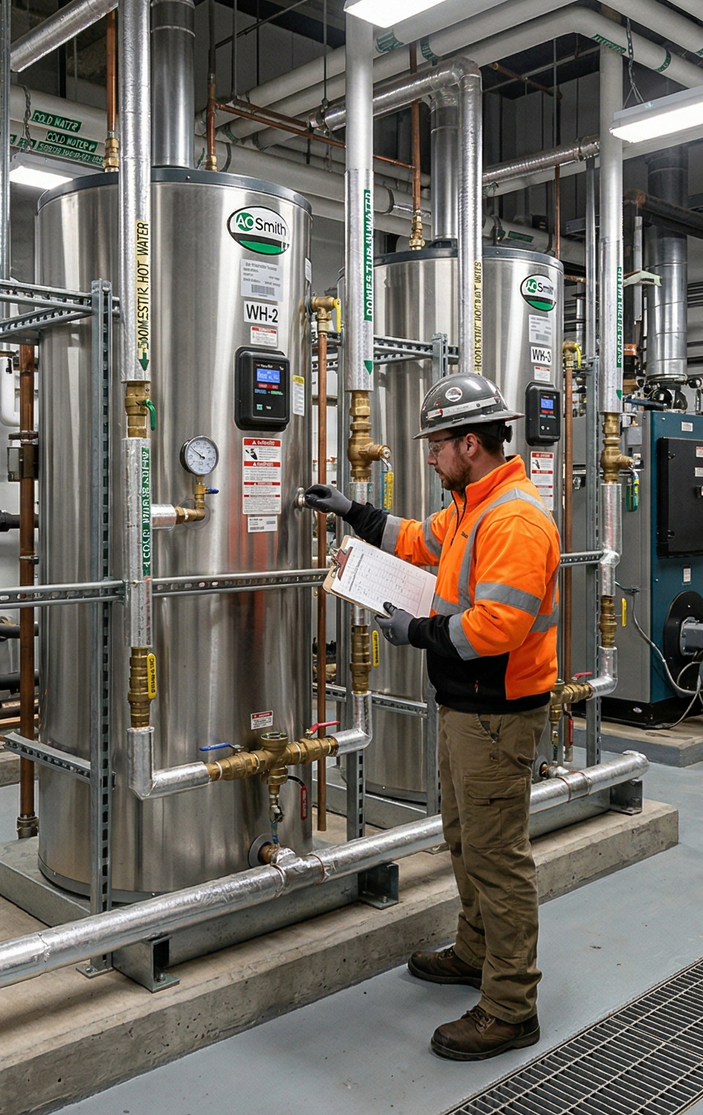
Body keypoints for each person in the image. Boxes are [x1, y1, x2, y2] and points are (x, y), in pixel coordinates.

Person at [303, 372, 561, 1061]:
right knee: (464, 838)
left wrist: (416, 632)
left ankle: (510, 1006)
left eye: (437, 443)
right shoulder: (473, 504)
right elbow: (418, 538)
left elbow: (499, 625)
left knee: (498, 856)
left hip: (498, 711)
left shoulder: (513, 517)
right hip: (465, 704)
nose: (429, 454)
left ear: (470, 443)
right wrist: (355, 512)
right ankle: (476, 952)